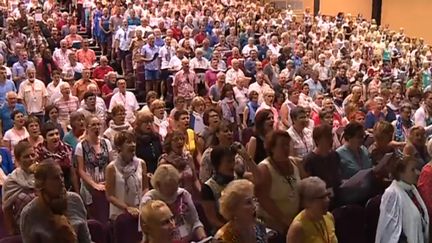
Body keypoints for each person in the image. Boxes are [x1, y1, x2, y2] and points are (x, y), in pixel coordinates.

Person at [20, 161, 92, 243]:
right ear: (42, 184)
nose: (61, 180)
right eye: (55, 178)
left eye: (61, 175)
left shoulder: (75, 200)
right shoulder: (29, 214)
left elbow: (86, 240)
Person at [141, 164, 207, 242]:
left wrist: (203, 239)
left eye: (175, 188)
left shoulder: (183, 194)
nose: (175, 194)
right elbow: (147, 233)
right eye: (170, 191)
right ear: (158, 185)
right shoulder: (148, 201)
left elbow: (195, 221)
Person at [256, 130, 300, 239]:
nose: (286, 148)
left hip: (295, 221)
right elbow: (263, 199)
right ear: (272, 148)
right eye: (282, 145)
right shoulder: (264, 168)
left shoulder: (295, 162)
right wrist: (284, 220)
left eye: (287, 144)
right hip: (273, 225)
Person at [375, 156, 429, 243]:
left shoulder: (412, 189)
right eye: (413, 170)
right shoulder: (392, 194)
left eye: (417, 169)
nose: (418, 173)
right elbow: (391, 232)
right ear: (401, 173)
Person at [105, 131, 148, 220]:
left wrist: (142, 204)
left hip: (140, 212)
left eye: (133, 142)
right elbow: (110, 196)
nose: (133, 145)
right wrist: (127, 208)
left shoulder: (141, 163)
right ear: (119, 147)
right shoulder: (111, 168)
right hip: (119, 216)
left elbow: (145, 188)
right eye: (128, 142)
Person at [75, 115, 113, 208]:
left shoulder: (106, 143)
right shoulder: (81, 146)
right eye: (93, 125)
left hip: (106, 184)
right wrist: (94, 184)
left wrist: (109, 181)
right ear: (87, 127)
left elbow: (111, 163)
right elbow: (81, 170)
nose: (97, 127)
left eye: (98, 124)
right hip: (90, 187)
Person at [286, 177, 337, 243]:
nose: (327, 200)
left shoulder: (329, 217)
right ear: (308, 202)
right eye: (322, 197)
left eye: (327, 195)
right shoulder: (298, 228)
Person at [2, 141, 37, 236]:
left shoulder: (42, 174)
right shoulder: (11, 181)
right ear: (18, 159)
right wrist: (12, 231)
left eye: (33, 155)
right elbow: (7, 208)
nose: (31, 159)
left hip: (45, 225)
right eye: (26, 156)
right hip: (23, 228)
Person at [303, 124, 342, 205]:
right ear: (317, 140)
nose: (331, 140)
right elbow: (309, 188)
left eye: (331, 136)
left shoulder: (335, 155)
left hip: (338, 196)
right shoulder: (309, 160)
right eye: (327, 137)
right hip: (320, 201)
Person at [35, 122, 79, 193]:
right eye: (51, 135)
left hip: (66, 188)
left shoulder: (67, 149)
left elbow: (73, 173)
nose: (55, 137)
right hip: (47, 190)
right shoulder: (38, 152)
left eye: (57, 134)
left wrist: (77, 193)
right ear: (44, 138)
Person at [158, 131, 201, 200]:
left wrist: (201, 192)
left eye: (182, 139)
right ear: (170, 143)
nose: (180, 142)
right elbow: (161, 186)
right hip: (173, 200)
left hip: (190, 198)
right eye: (176, 139)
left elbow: (195, 179)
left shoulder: (188, 158)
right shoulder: (165, 161)